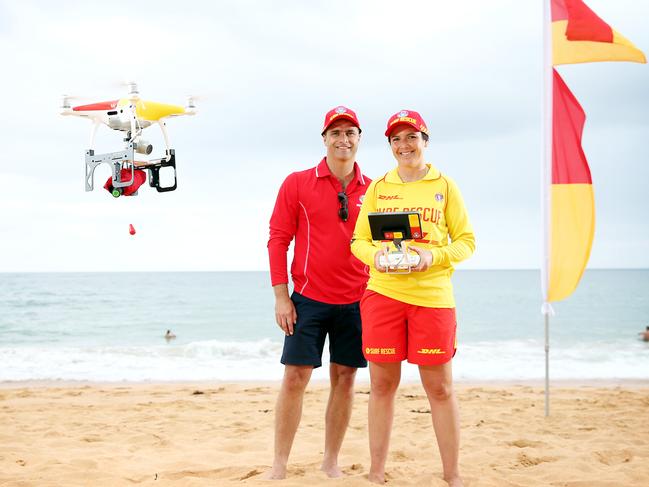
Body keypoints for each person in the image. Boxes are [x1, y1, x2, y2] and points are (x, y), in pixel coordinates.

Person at [351, 110, 475, 486]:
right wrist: (379, 258)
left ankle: (452, 475)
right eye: (396, 139)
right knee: (383, 386)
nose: (404, 146)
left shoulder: (445, 185)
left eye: (411, 137)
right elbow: (359, 241)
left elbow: (467, 242)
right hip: (384, 294)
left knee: (440, 388)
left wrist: (431, 256)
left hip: (433, 297)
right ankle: (376, 473)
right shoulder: (379, 187)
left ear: (425, 140)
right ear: (389, 145)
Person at [265, 106, 371, 479]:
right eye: (336, 132)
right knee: (295, 377)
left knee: (346, 378)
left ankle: (330, 461)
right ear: (324, 139)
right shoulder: (297, 183)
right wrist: (281, 296)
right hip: (307, 300)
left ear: (358, 139)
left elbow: (386, 245)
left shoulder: (374, 190)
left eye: (350, 132)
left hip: (358, 301)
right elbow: (278, 240)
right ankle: (279, 464)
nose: (343, 139)